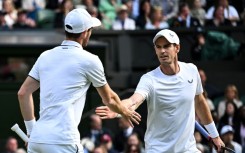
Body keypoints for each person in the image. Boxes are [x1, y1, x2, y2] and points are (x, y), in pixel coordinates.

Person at [17, 8, 141, 153]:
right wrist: (125, 111)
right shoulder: (90, 60)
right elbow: (110, 99)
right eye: (90, 29)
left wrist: (32, 132)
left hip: (38, 140)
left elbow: (23, 93)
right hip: (64, 141)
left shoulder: (45, 56)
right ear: (84, 33)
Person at [96, 29, 225, 152]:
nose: (162, 51)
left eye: (167, 46)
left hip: (187, 148)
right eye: (158, 47)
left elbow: (200, 103)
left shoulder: (191, 70)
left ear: (177, 48)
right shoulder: (149, 79)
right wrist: (118, 108)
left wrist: (215, 135)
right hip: (158, 149)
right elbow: (133, 101)